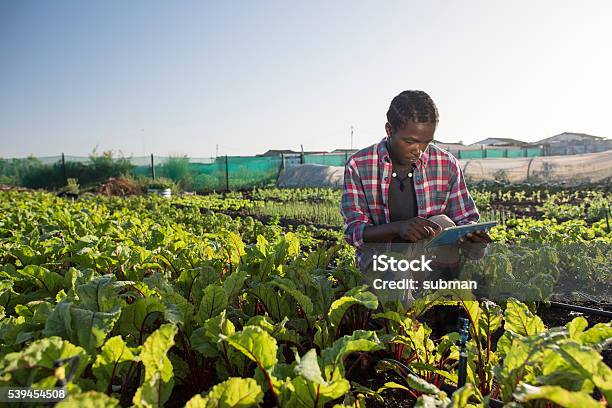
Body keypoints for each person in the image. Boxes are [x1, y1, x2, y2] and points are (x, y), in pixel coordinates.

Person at [340, 90, 491, 277]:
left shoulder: (447, 164)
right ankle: (407, 304)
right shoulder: (359, 165)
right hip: (382, 262)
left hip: (432, 263)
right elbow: (354, 232)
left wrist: (473, 241)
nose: (419, 151)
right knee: (395, 273)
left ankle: (443, 299)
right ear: (389, 130)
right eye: (410, 141)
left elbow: (465, 219)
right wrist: (399, 227)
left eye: (426, 142)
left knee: (441, 222)